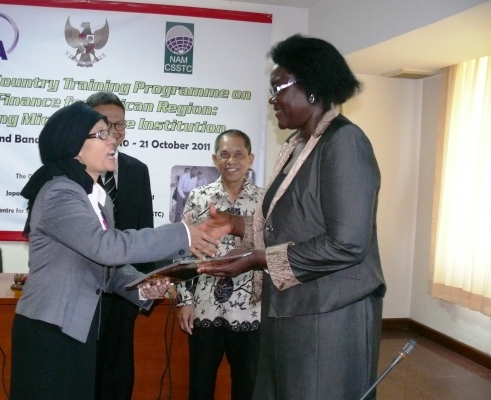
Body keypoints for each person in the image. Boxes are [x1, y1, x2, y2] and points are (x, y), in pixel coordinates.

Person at [196, 34, 386, 400]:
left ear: (312, 89)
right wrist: (236, 225)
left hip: (328, 316)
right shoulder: (296, 145)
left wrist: (259, 259)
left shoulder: (344, 142)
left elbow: (347, 243)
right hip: (289, 308)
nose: (272, 99)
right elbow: (294, 220)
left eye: (278, 88)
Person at [10, 101, 221, 400]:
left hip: (77, 329)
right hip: (49, 331)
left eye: (112, 131)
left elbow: (104, 269)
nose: (113, 139)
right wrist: (182, 233)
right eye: (101, 134)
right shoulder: (60, 193)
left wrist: (140, 287)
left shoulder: (97, 198)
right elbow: (105, 247)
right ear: (74, 145)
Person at [176, 129, 264, 400]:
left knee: (247, 386)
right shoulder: (199, 197)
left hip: (251, 309)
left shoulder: (265, 200)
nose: (231, 161)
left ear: (250, 159)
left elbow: (273, 247)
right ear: (215, 159)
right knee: (200, 385)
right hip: (205, 306)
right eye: (224, 154)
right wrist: (184, 301)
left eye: (238, 154)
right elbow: (184, 252)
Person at [86, 91, 155, 400]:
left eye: (120, 125)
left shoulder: (138, 170)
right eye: (106, 125)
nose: (114, 132)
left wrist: (144, 285)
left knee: (117, 379)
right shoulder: (75, 173)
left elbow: (145, 231)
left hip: (125, 294)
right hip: (85, 296)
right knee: (84, 378)